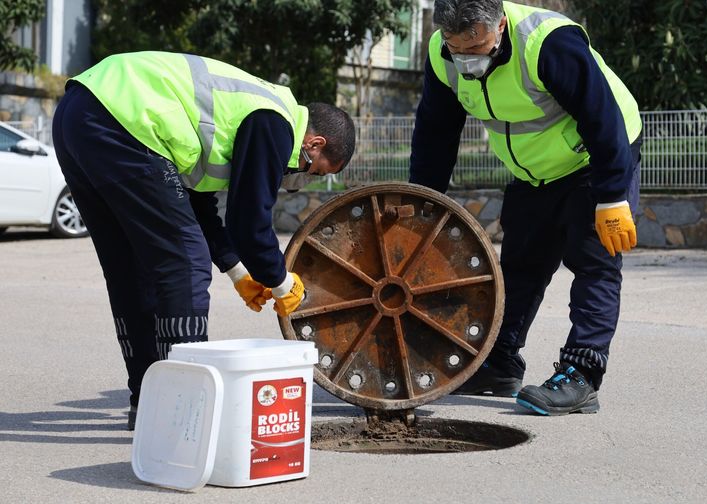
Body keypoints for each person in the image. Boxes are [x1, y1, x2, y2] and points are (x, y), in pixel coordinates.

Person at [52, 51, 356, 429]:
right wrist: (279, 281)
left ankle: (148, 404)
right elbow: (249, 222)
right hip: (125, 120)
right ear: (315, 142)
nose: (301, 178)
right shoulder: (276, 122)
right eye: (314, 171)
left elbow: (198, 205)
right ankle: (183, 410)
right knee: (185, 262)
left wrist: (238, 272)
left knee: (130, 268)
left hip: (80, 112)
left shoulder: (252, 114)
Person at [410, 0, 642, 415]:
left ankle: (582, 375)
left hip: (595, 158)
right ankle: (499, 361)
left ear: (499, 25)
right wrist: (423, 206)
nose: (464, 58)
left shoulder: (548, 42)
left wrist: (611, 195)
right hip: (534, 170)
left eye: (475, 46)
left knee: (593, 263)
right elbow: (435, 133)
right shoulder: (439, 53)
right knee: (520, 264)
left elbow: (601, 117)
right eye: (454, 46)